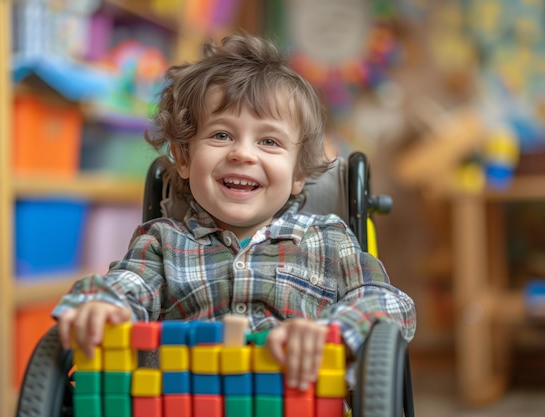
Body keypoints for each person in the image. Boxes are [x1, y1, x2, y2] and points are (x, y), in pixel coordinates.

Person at [53, 33, 416, 392]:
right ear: (184, 158)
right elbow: (126, 286)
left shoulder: (328, 238)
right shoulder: (162, 241)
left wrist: (332, 333)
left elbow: (387, 302)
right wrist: (101, 305)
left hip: (298, 397)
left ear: (299, 174)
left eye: (269, 141)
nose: (243, 154)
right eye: (222, 135)